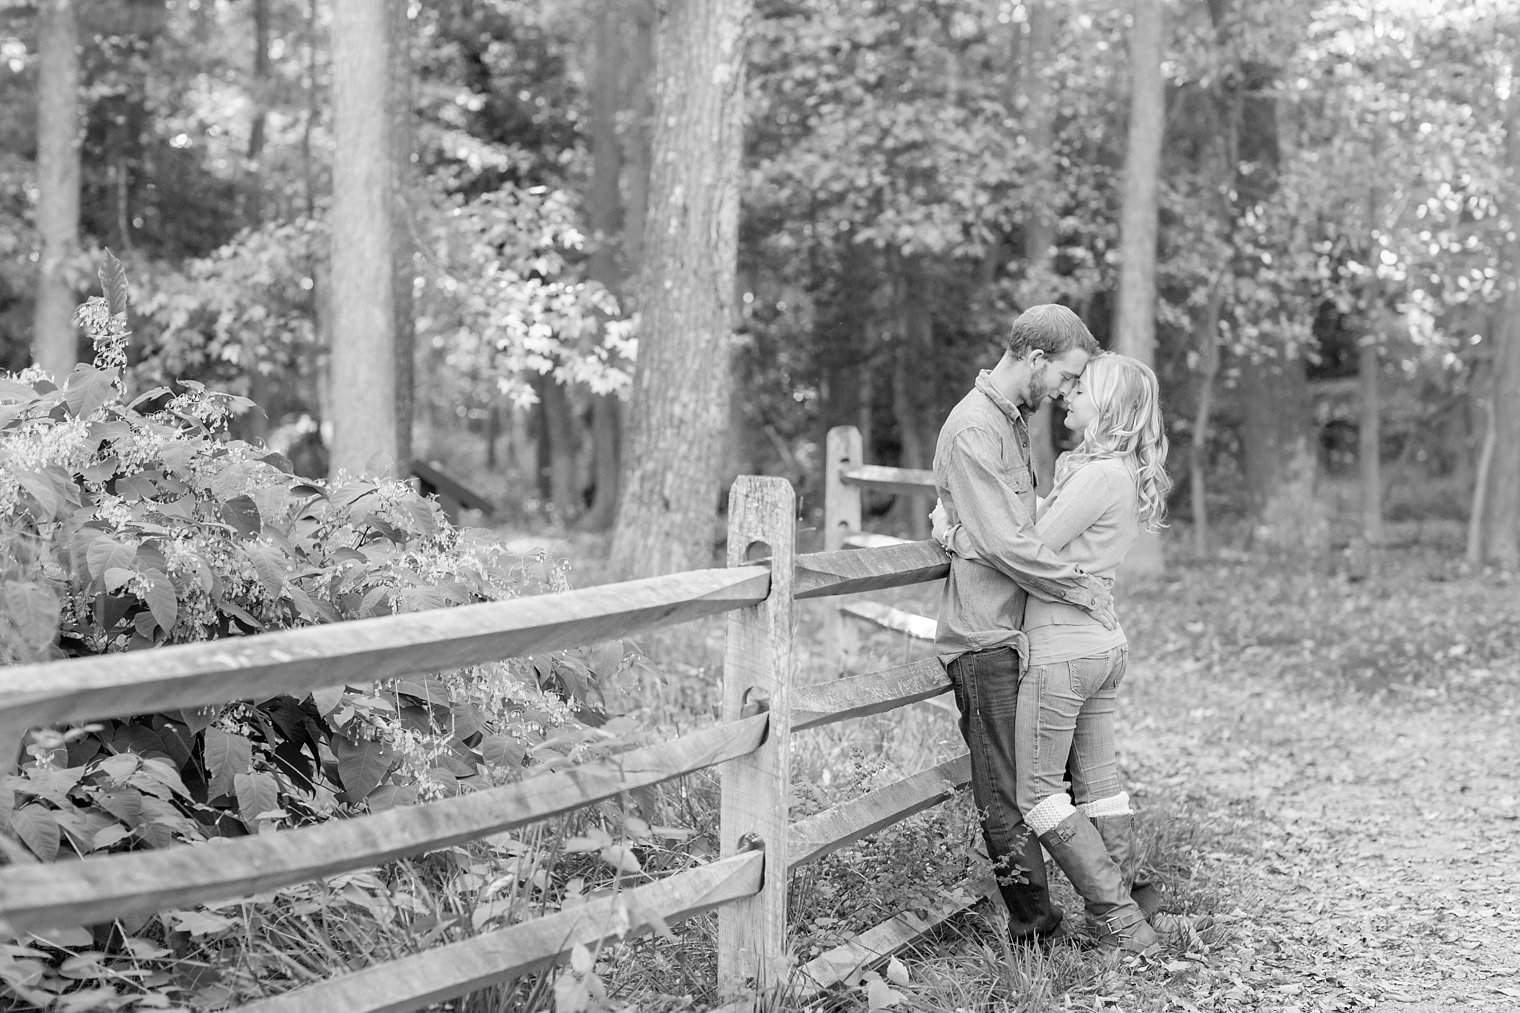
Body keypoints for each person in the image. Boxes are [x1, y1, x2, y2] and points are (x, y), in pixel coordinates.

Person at [934, 352, 1172, 955]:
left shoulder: (1097, 477)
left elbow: (1025, 546)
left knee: (1037, 795)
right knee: (1100, 788)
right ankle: (1132, 917)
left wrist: (954, 532)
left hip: (1065, 650)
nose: (1069, 397)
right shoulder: (1112, 472)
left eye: (1082, 389)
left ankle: (1118, 919)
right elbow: (1039, 530)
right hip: (1100, 644)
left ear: (1109, 408)